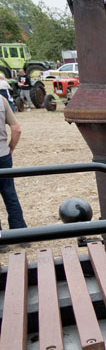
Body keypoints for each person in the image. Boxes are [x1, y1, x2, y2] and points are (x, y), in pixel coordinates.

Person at [0, 95, 28, 252]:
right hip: (3, 155)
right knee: (10, 193)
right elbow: (16, 129)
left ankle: (2, 242)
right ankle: (21, 235)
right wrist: (11, 147)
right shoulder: (1, 100)